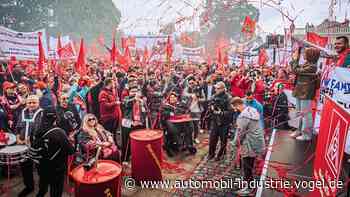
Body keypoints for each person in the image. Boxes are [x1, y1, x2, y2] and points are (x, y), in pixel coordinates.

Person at [29, 108, 75, 197]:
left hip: (41, 166)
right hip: (57, 169)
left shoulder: (36, 129)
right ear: (55, 118)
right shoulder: (59, 132)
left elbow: (33, 143)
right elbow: (71, 151)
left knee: (42, 188)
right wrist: (70, 141)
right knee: (56, 192)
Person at [232, 97, 265, 196]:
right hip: (258, 141)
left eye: (234, 107)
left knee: (247, 166)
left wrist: (235, 143)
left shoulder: (242, 116)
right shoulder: (252, 110)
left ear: (237, 105)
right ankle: (247, 181)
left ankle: (249, 188)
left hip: (249, 144)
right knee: (249, 165)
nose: (235, 110)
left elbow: (240, 133)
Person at [15, 95, 44, 197]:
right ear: (26, 103)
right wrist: (18, 138)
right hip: (23, 145)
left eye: (34, 102)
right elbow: (18, 127)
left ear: (38, 103)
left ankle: (42, 188)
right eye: (29, 102)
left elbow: (43, 130)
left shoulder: (42, 113)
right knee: (25, 167)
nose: (31, 104)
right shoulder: (22, 112)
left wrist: (33, 140)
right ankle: (29, 187)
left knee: (40, 167)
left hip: (37, 146)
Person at [289, 47, 320, 141]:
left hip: (306, 92)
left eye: (305, 53)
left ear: (311, 55)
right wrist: (295, 60)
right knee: (299, 112)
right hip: (300, 90)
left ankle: (307, 134)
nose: (303, 55)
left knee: (306, 114)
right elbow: (296, 69)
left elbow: (296, 70)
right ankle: (299, 130)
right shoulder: (307, 64)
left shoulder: (312, 66)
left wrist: (294, 60)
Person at [161, 92, 197, 157]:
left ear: (176, 98)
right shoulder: (166, 106)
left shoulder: (180, 105)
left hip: (181, 123)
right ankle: (179, 143)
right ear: (169, 99)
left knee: (189, 124)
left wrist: (184, 112)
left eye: (174, 97)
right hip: (171, 123)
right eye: (171, 97)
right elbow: (164, 114)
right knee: (171, 126)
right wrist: (171, 113)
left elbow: (186, 110)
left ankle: (188, 144)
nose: (172, 98)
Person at [207, 81, 233, 161]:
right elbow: (209, 106)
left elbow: (231, 111)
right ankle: (211, 154)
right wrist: (211, 108)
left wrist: (221, 112)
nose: (216, 90)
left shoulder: (228, 98)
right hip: (215, 121)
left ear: (222, 89)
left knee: (223, 140)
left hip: (224, 123)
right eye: (215, 88)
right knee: (212, 139)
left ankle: (220, 154)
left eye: (217, 88)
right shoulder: (214, 96)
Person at [121, 86, 147, 162]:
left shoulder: (141, 101)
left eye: (136, 91)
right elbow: (126, 104)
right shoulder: (126, 99)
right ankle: (125, 159)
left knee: (139, 141)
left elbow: (145, 113)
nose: (134, 93)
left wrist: (142, 105)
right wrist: (134, 99)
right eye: (132, 91)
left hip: (139, 124)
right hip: (128, 124)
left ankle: (138, 156)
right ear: (129, 92)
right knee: (126, 143)